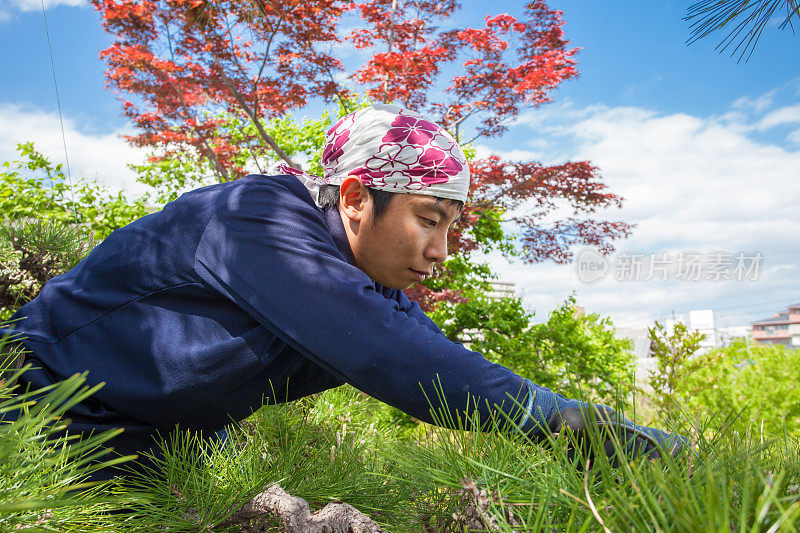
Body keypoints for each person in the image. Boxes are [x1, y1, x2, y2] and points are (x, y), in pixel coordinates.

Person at [2, 104, 683, 477]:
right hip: (28, 403)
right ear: (356, 196)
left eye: (451, 228)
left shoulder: (358, 280)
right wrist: (570, 423)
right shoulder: (258, 220)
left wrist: (612, 434)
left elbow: (439, 356)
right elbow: (402, 361)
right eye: (429, 219)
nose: (441, 253)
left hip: (145, 444)